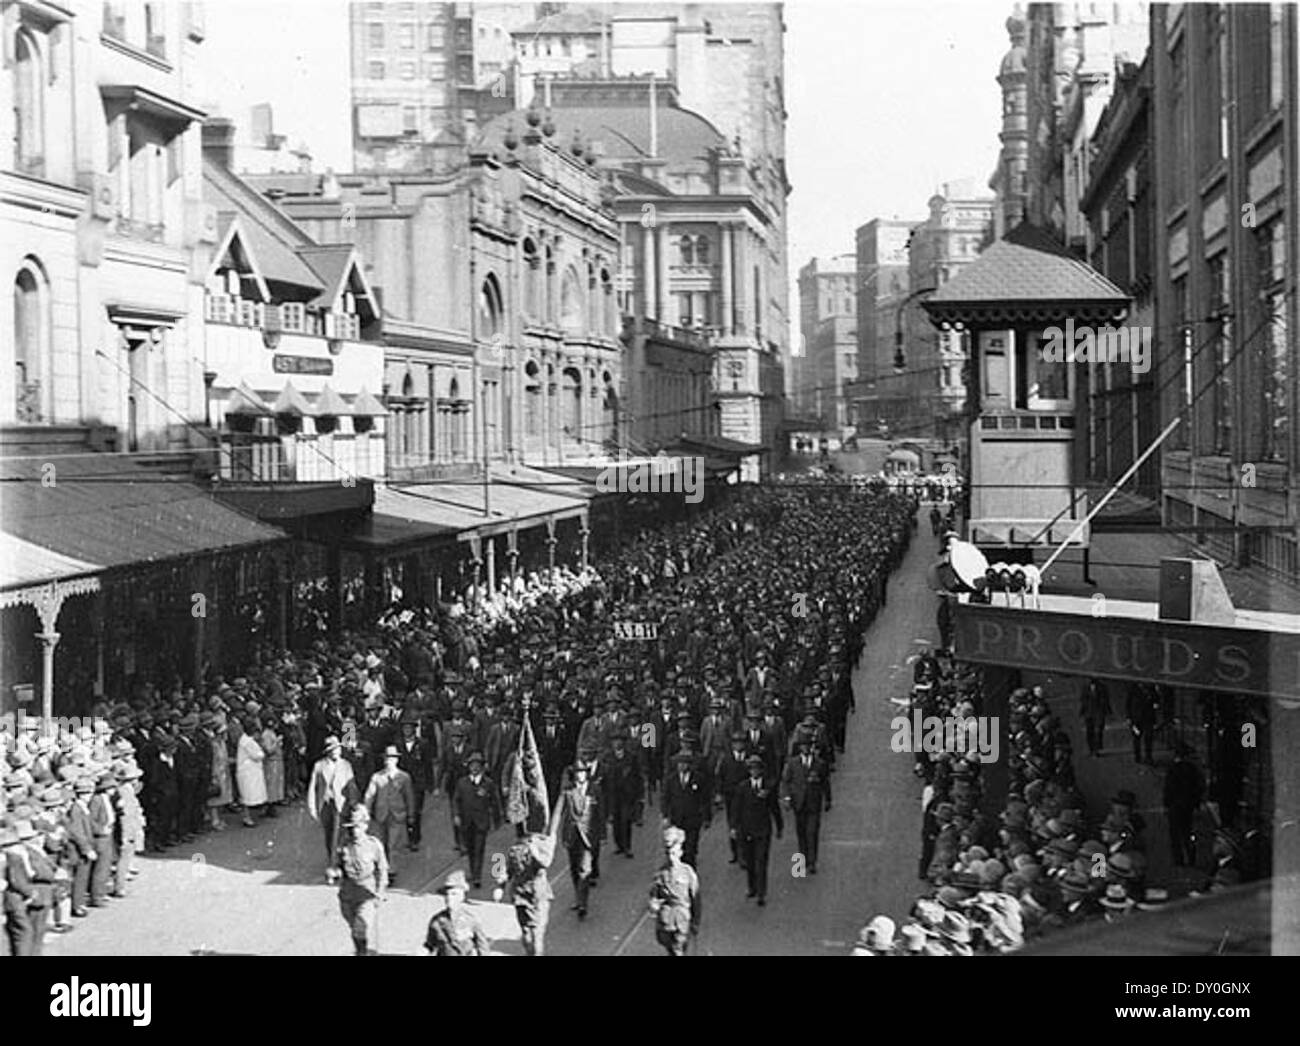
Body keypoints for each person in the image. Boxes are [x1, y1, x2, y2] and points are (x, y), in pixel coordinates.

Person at [494, 828, 558, 956]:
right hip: (520, 896)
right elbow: (507, 868)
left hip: (538, 896)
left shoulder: (541, 843)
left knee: (537, 934)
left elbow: (546, 863)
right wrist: (500, 885)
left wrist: (535, 852)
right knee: (526, 934)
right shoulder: (515, 848)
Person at [729, 754, 783, 906]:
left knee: (761, 861)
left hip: (763, 829)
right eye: (752, 769)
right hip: (746, 830)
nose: (754, 772)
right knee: (750, 861)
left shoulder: (768, 787)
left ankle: (761, 893)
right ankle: (752, 887)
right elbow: (735, 809)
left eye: (757, 769)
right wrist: (733, 827)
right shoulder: (742, 787)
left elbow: (774, 808)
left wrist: (779, 826)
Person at [335, 804, 387, 956]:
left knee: (360, 928)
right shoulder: (344, 845)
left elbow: (382, 870)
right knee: (355, 930)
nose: (354, 831)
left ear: (365, 825)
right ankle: (361, 950)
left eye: (357, 826)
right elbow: (338, 867)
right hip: (347, 895)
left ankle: (362, 953)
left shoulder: (374, 845)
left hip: (367, 894)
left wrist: (380, 892)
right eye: (351, 827)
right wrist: (335, 873)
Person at [307, 736, 358, 883]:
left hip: (341, 805)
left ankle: (334, 867)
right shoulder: (319, 765)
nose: (337, 751)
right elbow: (312, 787)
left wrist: (354, 804)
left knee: (339, 835)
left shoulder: (346, 765)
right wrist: (312, 806)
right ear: (328, 751)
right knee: (329, 836)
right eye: (334, 749)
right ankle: (334, 861)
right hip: (325, 805)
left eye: (339, 749)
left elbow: (351, 785)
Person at [781, 732, 831, 875]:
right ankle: (802, 860)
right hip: (799, 803)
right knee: (801, 833)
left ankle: (812, 862)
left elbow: (825, 782)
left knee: (812, 832)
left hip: (814, 803)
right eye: (803, 746)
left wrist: (828, 799)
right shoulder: (792, 763)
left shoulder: (819, 763)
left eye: (808, 746)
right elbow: (785, 781)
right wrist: (786, 798)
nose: (806, 748)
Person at [364, 745, 416, 885]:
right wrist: (366, 812)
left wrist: (410, 815)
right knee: (381, 843)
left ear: (397, 760)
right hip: (381, 815)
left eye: (392, 758)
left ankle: (391, 871)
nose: (389, 761)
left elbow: (409, 797)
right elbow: (369, 796)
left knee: (393, 844)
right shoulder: (377, 777)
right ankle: (383, 868)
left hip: (397, 814)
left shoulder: (404, 777)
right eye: (387, 758)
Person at [556, 761, 601, 919]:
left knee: (585, 870)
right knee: (574, 868)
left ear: (586, 774)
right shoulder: (567, 791)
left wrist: (602, 834)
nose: (580, 775)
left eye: (582, 772)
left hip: (588, 836)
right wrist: (551, 833)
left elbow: (601, 813)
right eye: (577, 772)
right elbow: (558, 813)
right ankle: (577, 895)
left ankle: (583, 903)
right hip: (571, 835)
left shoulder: (595, 790)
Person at [648, 826, 701, 956]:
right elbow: (653, 896)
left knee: (679, 950)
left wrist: (696, 922)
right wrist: (653, 906)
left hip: (682, 921)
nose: (671, 858)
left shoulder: (687, 872)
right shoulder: (661, 873)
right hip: (666, 922)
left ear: (680, 853)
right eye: (668, 854)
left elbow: (696, 898)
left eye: (674, 853)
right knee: (671, 950)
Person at [452, 752, 501, 889]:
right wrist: (456, 815)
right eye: (471, 765)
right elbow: (456, 800)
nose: (474, 768)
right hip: (467, 821)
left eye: (477, 765)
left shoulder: (488, 784)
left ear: (482, 767)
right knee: (470, 848)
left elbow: (495, 802)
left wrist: (497, 820)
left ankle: (477, 876)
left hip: (481, 822)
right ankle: (473, 870)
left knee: (479, 849)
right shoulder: (462, 783)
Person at [662, 751, 710, 869]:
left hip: (693, 818)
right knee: (677, 847)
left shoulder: (698, 778)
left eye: (685, 763)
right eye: (680, 763)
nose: (682, 766)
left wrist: (706, 817)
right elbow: (665, 798)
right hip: (676, 819)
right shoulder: (671, 779)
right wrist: (665, 816)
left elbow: (705, 798)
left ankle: (690, 871)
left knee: (691, 848)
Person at [424, 870, 490, 955]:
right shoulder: (437, 921)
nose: (449, 898)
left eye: (454, 894)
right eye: (447, 895)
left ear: (461, 897)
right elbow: (430, 945)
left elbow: (483, 948)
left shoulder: (471, 920)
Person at [1163, 743, 1205, 868]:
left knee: (1175, 835)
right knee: (1187, 832)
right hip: (1188, 806)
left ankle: (1179, 860)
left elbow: (1168, 789)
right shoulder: (1192, 769)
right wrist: (1196, 804)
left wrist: (1166, 805)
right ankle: (1191, 856)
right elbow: (1199, 788)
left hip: (1174, 806)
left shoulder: (1172, 769)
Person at [603, 731, 642, 859]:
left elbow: (637, 776)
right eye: (615, 741)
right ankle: (619, 845)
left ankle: (627, 847)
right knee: (616, 820)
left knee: (626, 820)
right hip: (612, 794)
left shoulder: (631, 757)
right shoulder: (607, 757)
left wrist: (639, 794)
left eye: (620, 741)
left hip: (627, 794)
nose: (617, 743)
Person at [235, 717, 267, 826]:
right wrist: (261, 753)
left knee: (249, 794)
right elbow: (257, 755)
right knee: (247, 795)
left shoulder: (244, 739)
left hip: (249, 771)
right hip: (248, 772)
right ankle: (246, 817)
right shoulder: (248, 742)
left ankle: (250, 815)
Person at [1080, 677, 1110, 758]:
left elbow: (1106, 700)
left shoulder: (1103, 687)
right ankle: (1091, 749)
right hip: (1089, 714)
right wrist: (1082, 712)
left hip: (1099, 713)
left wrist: (1107, 711)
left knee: (1098, 732)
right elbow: (1083, 700)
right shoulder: (1085, 687)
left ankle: (1097, 750)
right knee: (1089, 733)